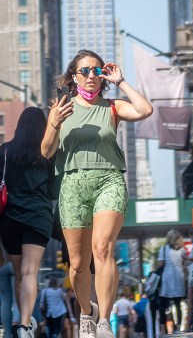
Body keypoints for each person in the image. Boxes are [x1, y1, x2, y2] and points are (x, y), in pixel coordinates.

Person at [41, 51, 153, 338]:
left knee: (102, 249)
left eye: (97, 71)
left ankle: (104, 320)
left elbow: (144, 110)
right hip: (72, 184)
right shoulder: (61, 107)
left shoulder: (112, 106)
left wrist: (121, 81)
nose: (92, 75)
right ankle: (86, 315)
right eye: (86, 71)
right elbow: (46, 151)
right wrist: (54, 122)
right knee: (78, 264)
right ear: (74, 76)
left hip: (109, 180)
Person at [0, 106, 56, 338]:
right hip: (38, 218)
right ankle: (26, 324)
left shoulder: (5, 151)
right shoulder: (47, 151)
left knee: (19, 274)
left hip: (10, 218)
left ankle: (22, 320)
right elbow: (54, 190)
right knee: (30, 273)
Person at [154, 231, 186, 334]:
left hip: (167, 278)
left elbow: (160, 264)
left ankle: (163, 328)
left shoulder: (163, 249)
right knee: (178, 303)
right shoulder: (182, 250)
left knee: (162, 303)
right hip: (179, 277)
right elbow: (184, 263)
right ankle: (179, 327)